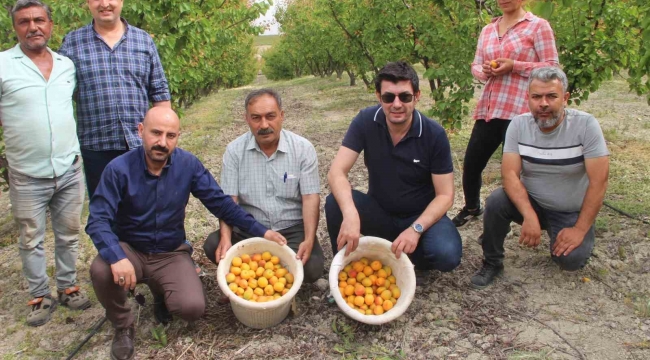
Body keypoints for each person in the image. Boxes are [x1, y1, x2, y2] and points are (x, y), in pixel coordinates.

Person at [86, 107, 286, 360]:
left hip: (170, 251)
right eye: (155, 133)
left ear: (178, 137)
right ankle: (123, 325)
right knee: (102, 270)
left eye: (170, 135)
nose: (162, 142)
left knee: (192, 308)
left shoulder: (187, 165)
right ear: (140, 131)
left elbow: (221, 204)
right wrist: (116, 257)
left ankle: (160, 291)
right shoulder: (118, 169)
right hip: (131, 249)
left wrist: (261, 231)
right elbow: (98, 220)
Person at [470, 67, 609, 289]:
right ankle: (492, 262)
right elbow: (510, 175)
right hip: (531, 202)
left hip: (568, 210)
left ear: (565, 98)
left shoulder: (586, 126)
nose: (543, 103)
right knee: (496, 201)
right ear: (528, 99)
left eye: (551, 96)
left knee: (570, 262)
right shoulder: (518, 125)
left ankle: (580, 232)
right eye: (536, 97)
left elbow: (599, 182)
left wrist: (579, 229)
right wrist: (529, 215)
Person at [325, 61, 462, 284]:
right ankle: (342, 269)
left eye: (405, 97)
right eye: (389, 97)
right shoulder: (365, 121)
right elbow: (336, 172)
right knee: (335, 203)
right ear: (379, 97)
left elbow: (445, 195)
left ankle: (401, 254)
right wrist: (351, 214)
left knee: (446, 255)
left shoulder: (433, 134)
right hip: (381, 213)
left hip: (420, 217)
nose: (396, 104)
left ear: (417, 96)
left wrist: (416, 229)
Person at [0, 0, 91, 327]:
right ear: (15, 28)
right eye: (24, 22)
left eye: (39, 20)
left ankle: (68, 287)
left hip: (68, 169)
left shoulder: (67, 65)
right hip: (26, 174)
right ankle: (39, 295)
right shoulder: (2, 65)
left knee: (68, 232)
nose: (33, 27)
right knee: (31, 237)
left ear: (51, 25)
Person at [452, 0, 559, 228]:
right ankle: (472, 207)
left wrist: (515, 66)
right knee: (472, 164)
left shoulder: (538, 26)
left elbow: (553, 68)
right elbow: (476, 65)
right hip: (490, 109)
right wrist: (485, 70)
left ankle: (512, 217)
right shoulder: (488, 29)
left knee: (513, 172)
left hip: (520, 113)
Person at [203, 89, 325, 283]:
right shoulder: (235, 151)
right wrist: (226, 238)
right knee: (214, 245)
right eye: (256, 118)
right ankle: (263, 273)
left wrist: (308, 239)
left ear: (282, 116)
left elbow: (310, 197)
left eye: (270, 116)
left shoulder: (302, 149)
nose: (264, 125)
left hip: (291, 229)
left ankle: (263, 271)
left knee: (312, 268)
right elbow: (229, 201)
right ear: (247, 119)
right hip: (247, 228)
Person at [59, 0, 171, 198]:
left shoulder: (142, 40)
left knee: (144, 207)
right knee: (104, 210)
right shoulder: (73, 42)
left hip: (139, 145)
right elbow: (61, 93)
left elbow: (160, 93)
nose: (104, 4)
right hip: (95, 146)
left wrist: (164, 138)